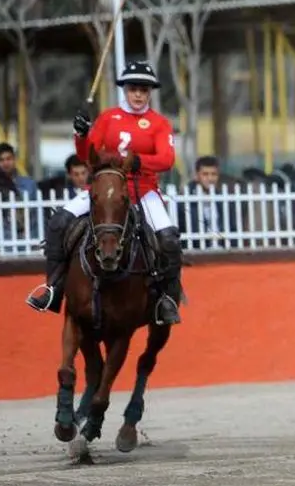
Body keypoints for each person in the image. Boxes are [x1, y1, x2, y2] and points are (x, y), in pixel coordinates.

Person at [25, 59, 183, 324]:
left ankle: (166, 298)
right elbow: (88, 156)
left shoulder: (159, 123)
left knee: (168, 239)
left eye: (144, 89)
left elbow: (167, 159)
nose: (138, 94)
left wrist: (139, 162)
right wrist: (81, 134)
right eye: (133, 88)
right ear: (125, 89)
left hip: (142, 190)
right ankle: (53, 288)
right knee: (58, 222)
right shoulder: (108, 118)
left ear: (150, 92)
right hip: (104, 189)